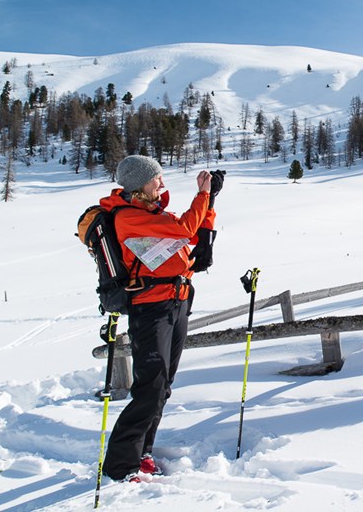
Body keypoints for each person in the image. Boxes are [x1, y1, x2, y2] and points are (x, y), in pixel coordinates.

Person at [100, 155, 221, 482]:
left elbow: (189, 236)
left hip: (176, 301)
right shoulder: (129, 217)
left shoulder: (153, 213)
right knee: (150, 388)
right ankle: (120, 466)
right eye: (157, 179)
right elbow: (184, 228)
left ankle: (143, 452)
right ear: (140, 184)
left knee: (162, 385)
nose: (162, 184)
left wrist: (209, 202)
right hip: (151, 308)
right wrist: (202, 195)